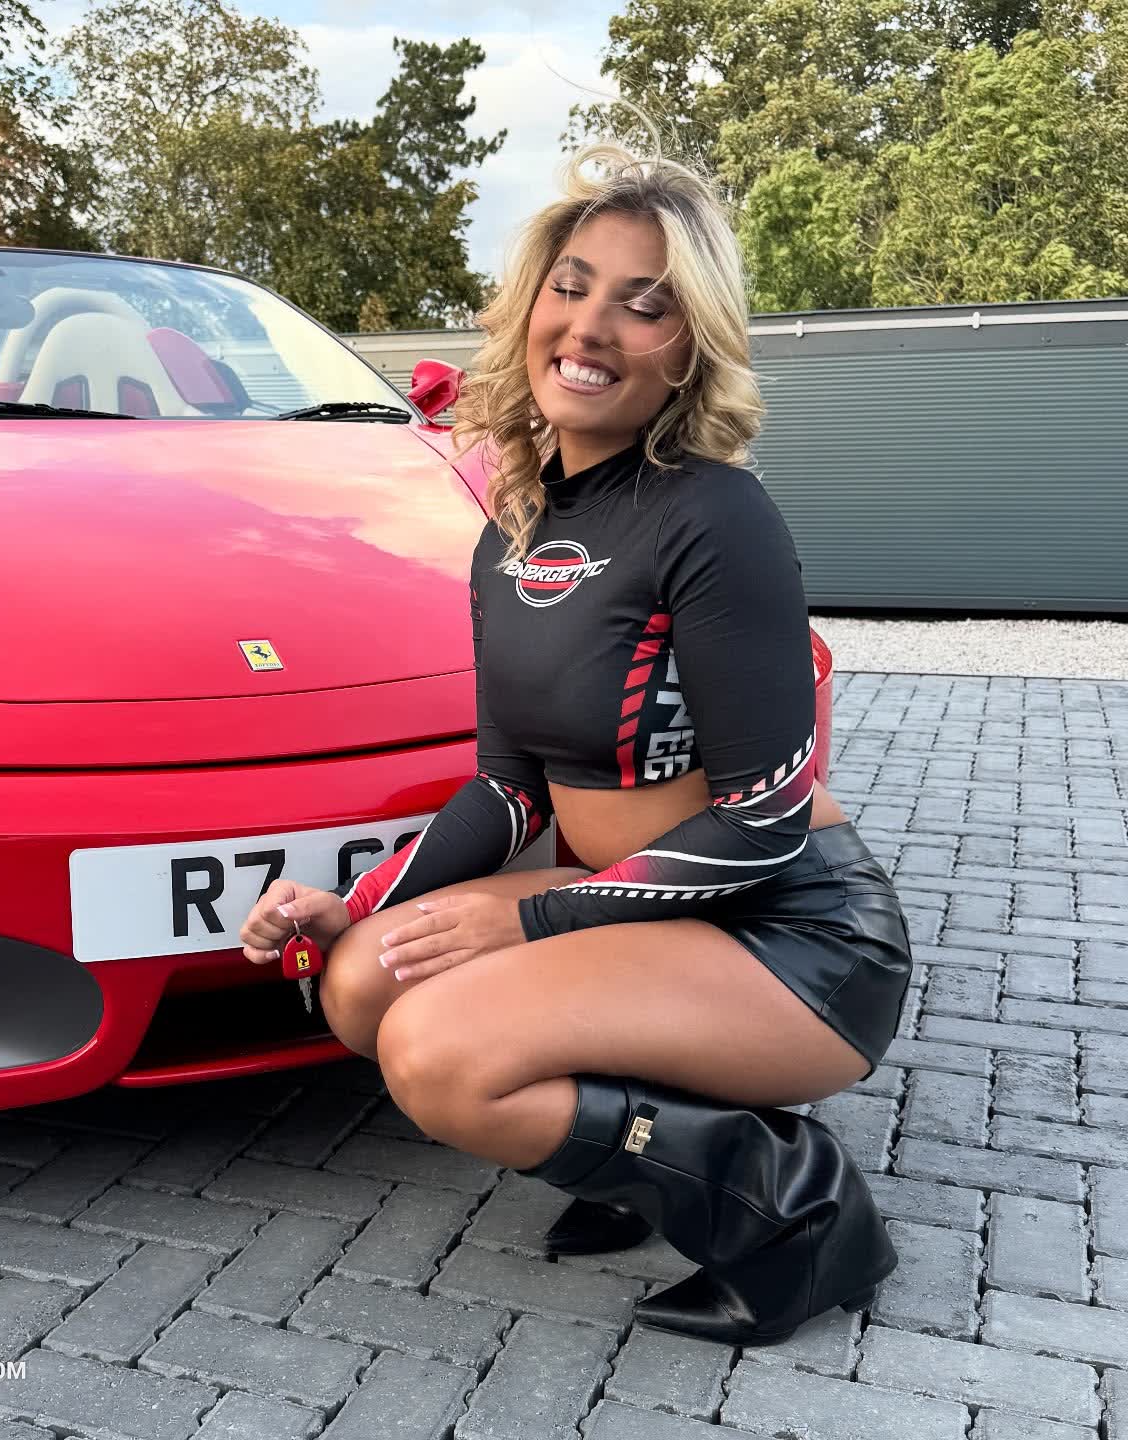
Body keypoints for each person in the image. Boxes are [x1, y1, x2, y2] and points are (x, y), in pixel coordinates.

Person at [238, 132, 914, 1347]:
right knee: (362, 978)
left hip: (793, 936)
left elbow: (765, 818)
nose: (593, 325)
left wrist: (531, 919)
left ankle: (798, 1207)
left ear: (690, 345)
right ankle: (641, 1165)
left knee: (439, 1054)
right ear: (531, 307)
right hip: (637, 913)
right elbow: (507, 788)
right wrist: (359, 899)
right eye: (573, 286)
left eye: (645, 305)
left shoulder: (717, 514)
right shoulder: (513, 528)